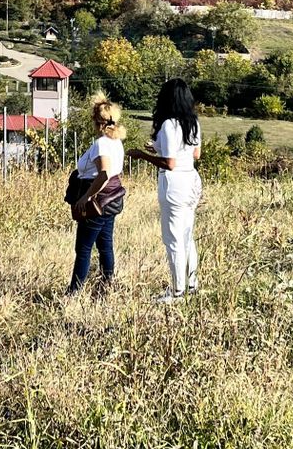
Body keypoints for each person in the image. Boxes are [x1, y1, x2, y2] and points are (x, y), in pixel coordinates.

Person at [128, 78, 202, 302]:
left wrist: (144, 155)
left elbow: (169, 163)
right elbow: (194, 154)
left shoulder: (169, 124)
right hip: (191, 179)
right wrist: (158, 147)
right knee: (187, 235)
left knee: (173, 239)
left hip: (174, 184)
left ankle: (178, 291)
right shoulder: (193, 121)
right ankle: (191, 284)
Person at [66, 98, 126, 295]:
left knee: (83, 249)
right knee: (105, 245)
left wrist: (86, 197)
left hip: (97, 202)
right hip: (112, 200)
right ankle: (107, 284)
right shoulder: (116, 141)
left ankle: (74, 292)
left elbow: (104, 174)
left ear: (99, 122)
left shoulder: (101, 144)